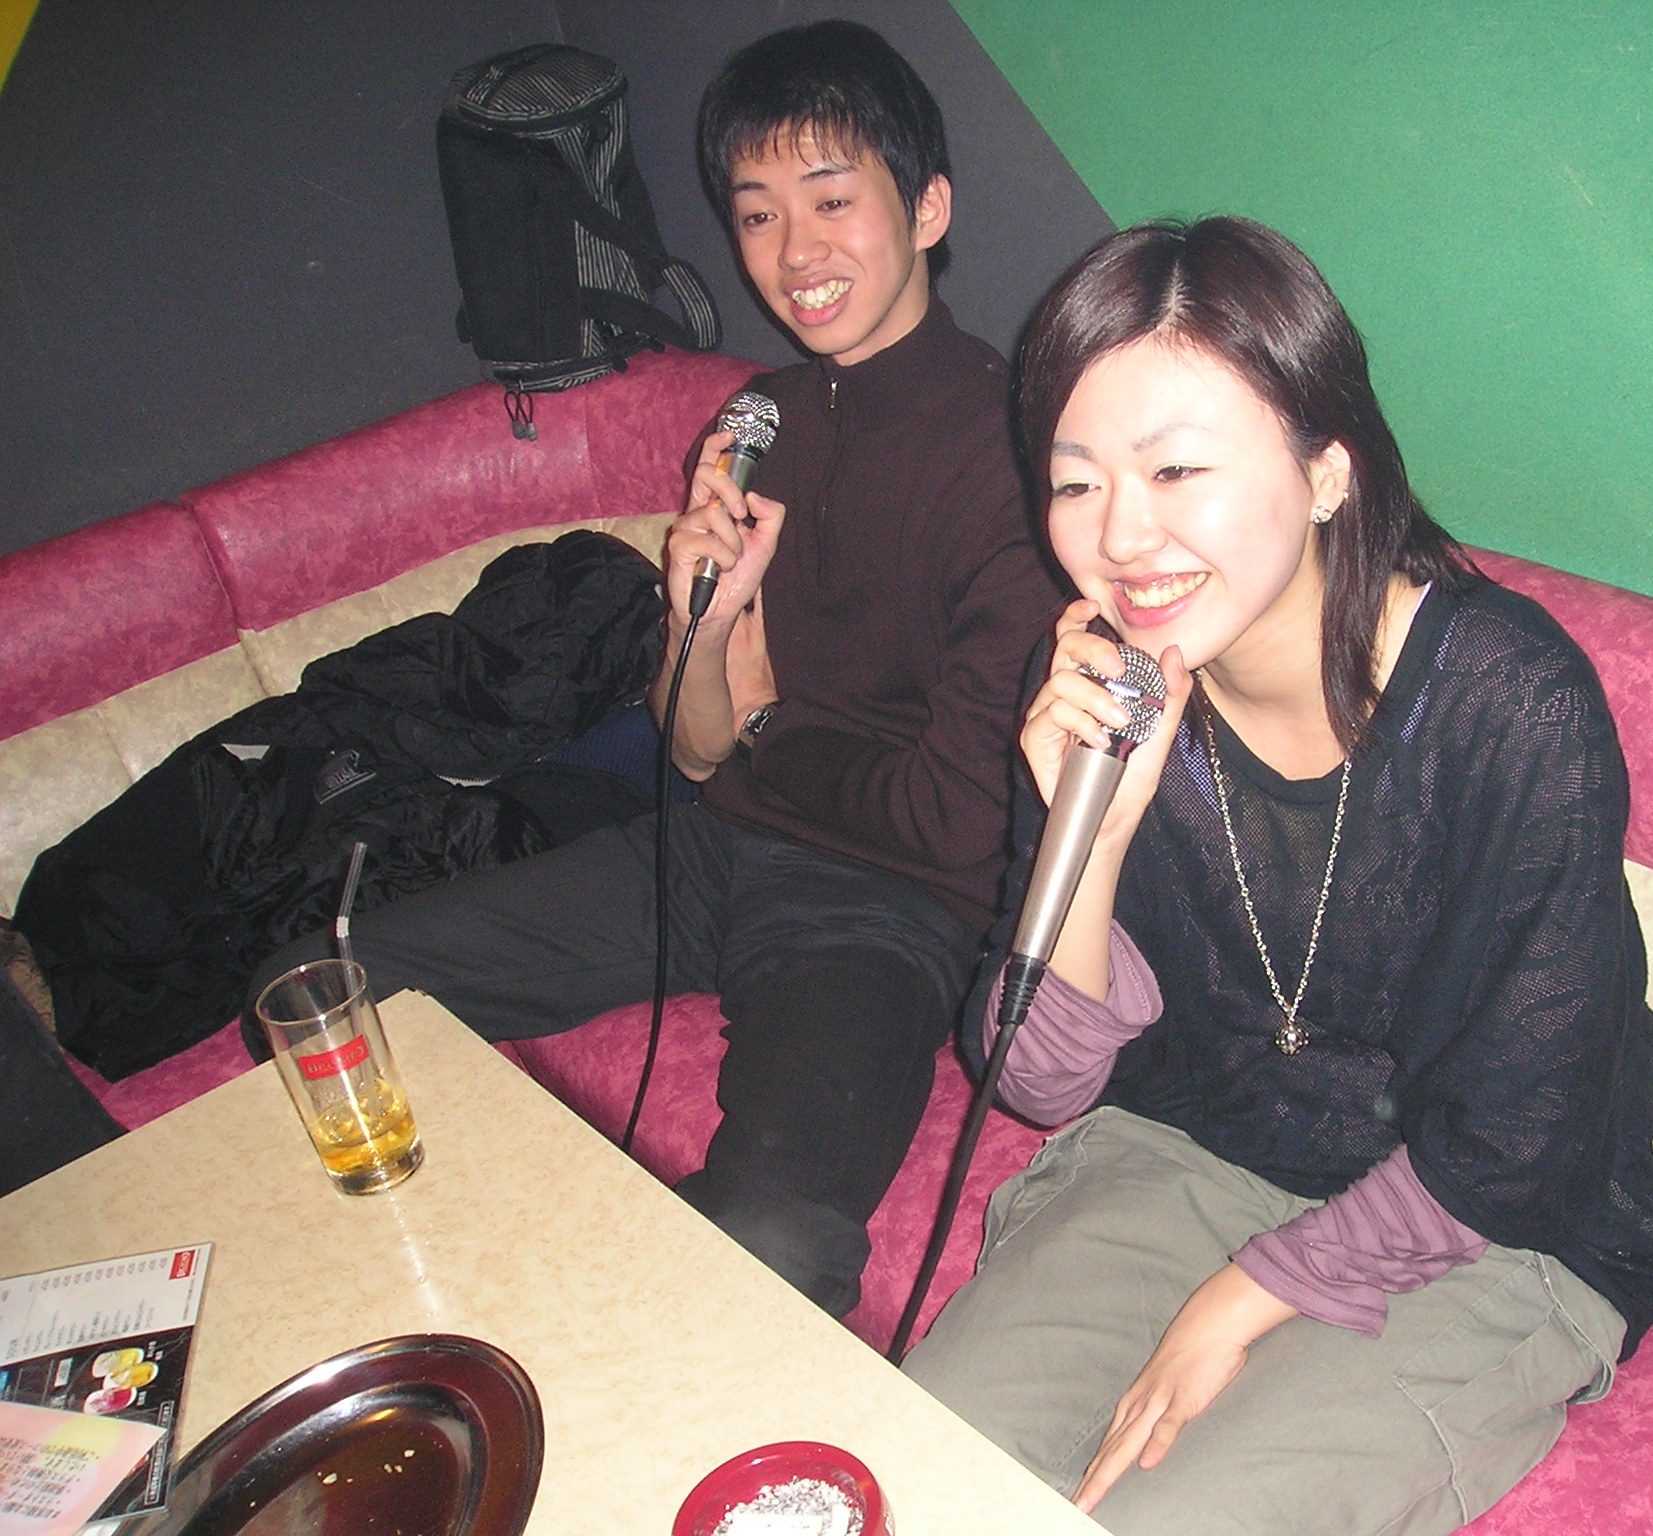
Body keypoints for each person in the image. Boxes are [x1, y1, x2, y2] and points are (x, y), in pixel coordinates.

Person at [252, 21, 1059, 1316]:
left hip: (887, 906)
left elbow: (957, 822)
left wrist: (766, 728)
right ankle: (454, 1309)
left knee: (772, 1238)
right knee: (319, 995)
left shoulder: (1021, 465)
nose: (794, 252)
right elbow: (693, 750)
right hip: (716, 846)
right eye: (757, 213)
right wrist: (705, 622)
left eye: (832, 200)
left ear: (928, 208)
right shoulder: (759, 425)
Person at [902, 218, 1653, 1535]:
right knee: (925, 1476)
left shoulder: (1508, 703)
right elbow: (1036, 1082)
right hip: (1190, 1154)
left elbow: (1519, 1141)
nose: (1122, 536)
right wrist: (1093, 838)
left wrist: (1242, 1295)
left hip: (1488, 1224)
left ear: (1326, 472)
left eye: (1177, 469)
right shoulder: (1105, 684)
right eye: (1077, 482)